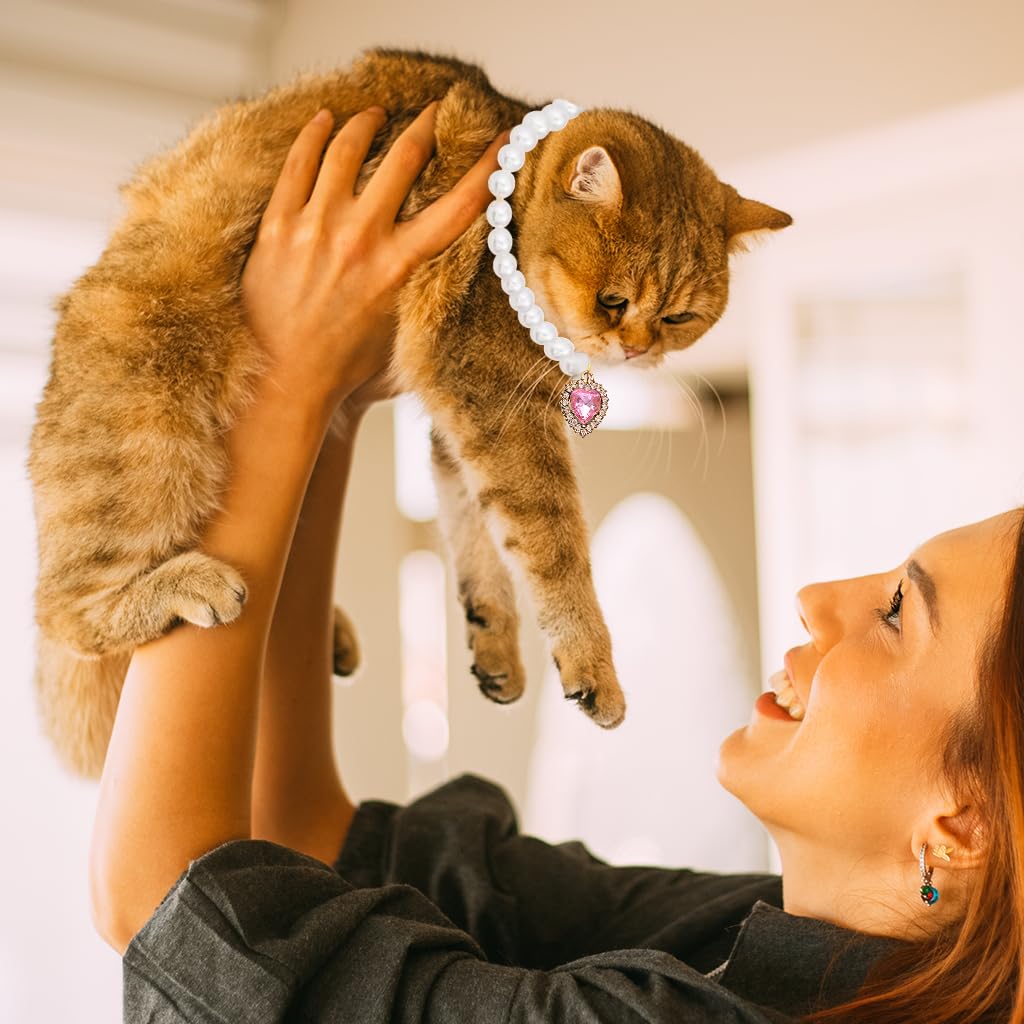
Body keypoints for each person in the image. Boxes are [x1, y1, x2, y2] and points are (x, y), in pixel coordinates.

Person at [86, 103, 1024, 1024]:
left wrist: (284, 376)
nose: (820, 599)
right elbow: (311, 846)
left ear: (965, 824)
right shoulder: (758, 934)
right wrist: (330, 396)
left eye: (901, 612)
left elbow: (170, 904)